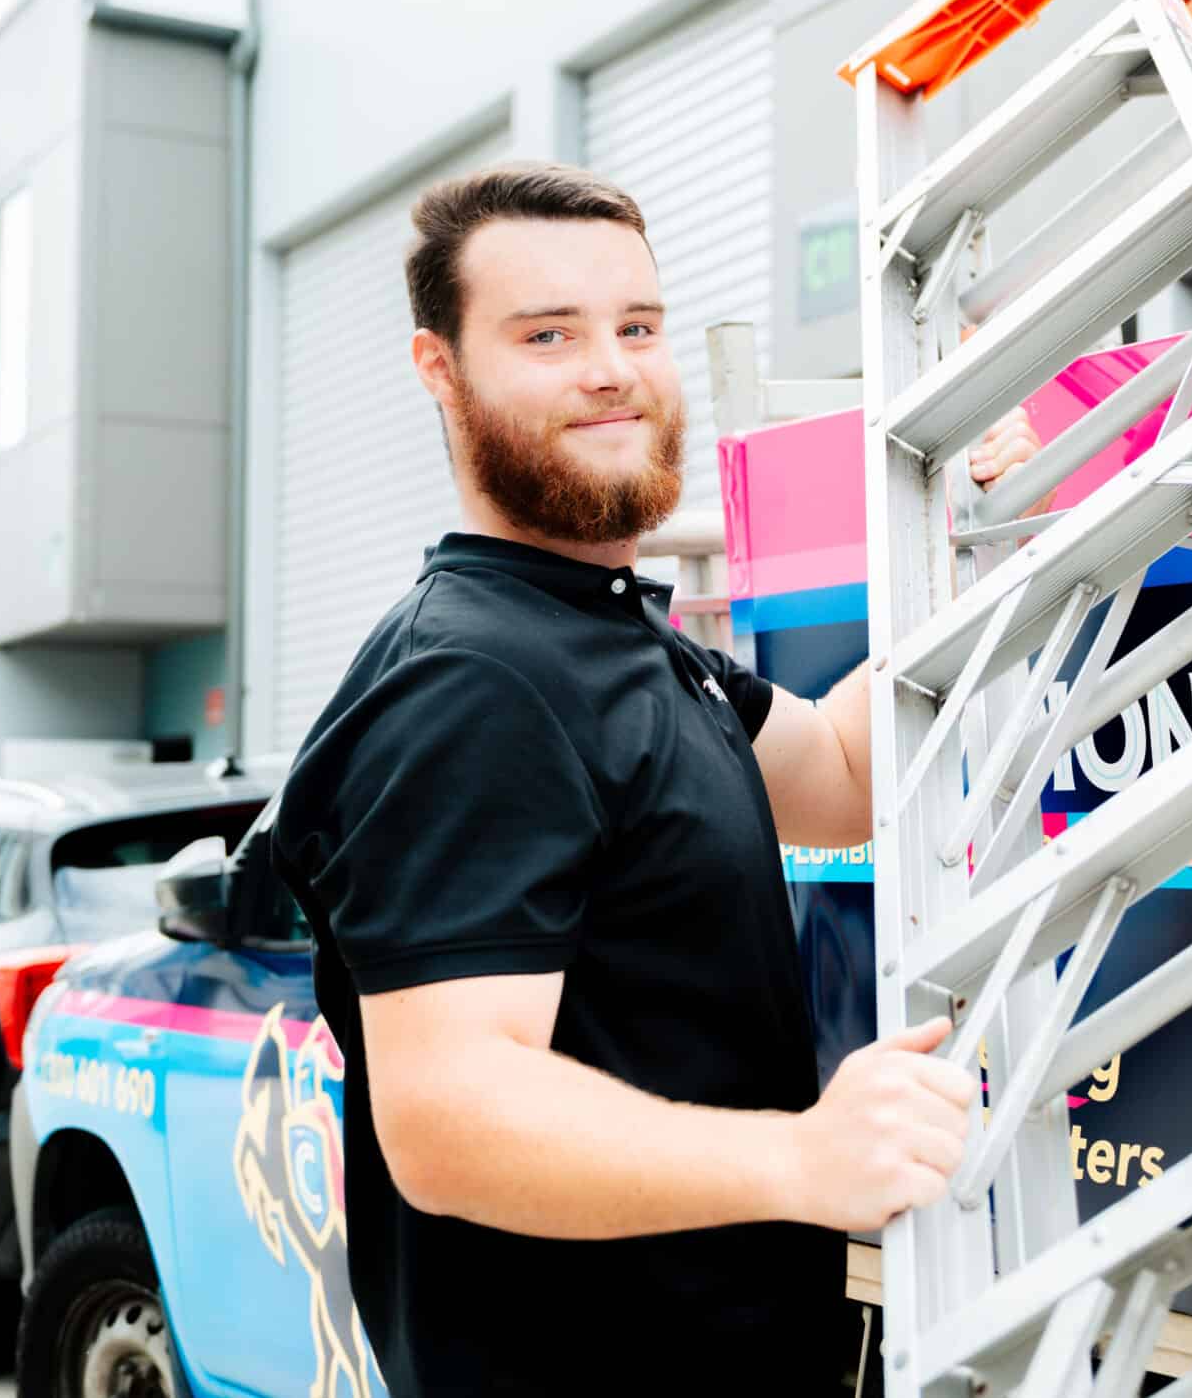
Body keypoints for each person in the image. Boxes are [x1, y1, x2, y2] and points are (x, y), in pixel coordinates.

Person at [269, 161, 1044, 1394]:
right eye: (548, 335)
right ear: (441, 370)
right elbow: (450, 1119)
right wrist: (802, 1159)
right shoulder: (475, 678)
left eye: (636, 326)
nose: (611, 368)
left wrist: (982, 528)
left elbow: (844, 772)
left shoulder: (627, 648)